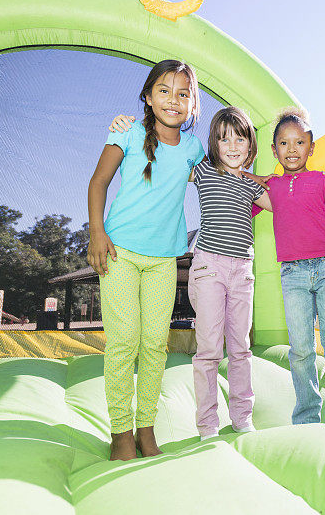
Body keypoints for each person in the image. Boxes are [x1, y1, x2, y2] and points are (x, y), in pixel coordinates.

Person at [109, 107, 272, 440]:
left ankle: (242, 417)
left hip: (242, 271)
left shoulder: (253, 188)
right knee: (209, 348)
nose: (232, 145)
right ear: (214, 143)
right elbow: (168, 158)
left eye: (240, 138)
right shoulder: (203, 172)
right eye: (224, 139)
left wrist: (296, 177)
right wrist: (128, 129)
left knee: (240, 347)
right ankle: (207, 424)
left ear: (250, 144)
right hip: (209, 266)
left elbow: (285, 204)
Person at [87, 59, 205, 461]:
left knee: (155, 345)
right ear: (148, 96)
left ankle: (146, 429)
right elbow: (98, 181)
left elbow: (214, 178)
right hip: (119, 252)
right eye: (164, 91)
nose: (173, 100)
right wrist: (96, 233)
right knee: (124, 341)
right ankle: (121, 432)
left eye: (183, 94)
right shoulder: (128, 133)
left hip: (164, 260)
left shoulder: (193, 149)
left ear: (192, 104)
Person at [266, 107, 325, 425]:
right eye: (284, 143)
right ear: (274, 149)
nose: (292, 149)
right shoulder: (272, 187)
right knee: (301, 348)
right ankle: (306, 414)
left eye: (299, 142)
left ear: (311, 147)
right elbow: (242, 182)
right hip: (292, 274)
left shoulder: (323, 182)